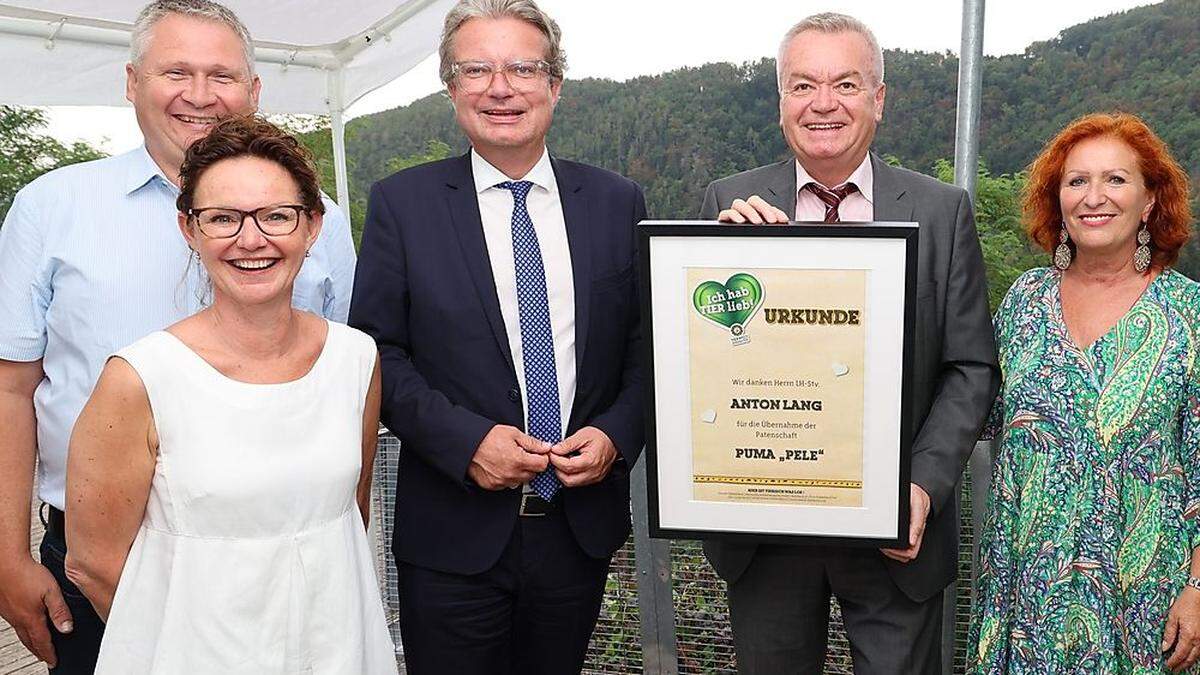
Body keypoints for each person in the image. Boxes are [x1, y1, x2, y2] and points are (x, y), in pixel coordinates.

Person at [0, 1, 356, 672]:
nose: (200, 95)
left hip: (283, 553)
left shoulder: (322, 220)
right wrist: (6, 558)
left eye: (221, 75)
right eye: (176, 72)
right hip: (104, 560)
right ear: (132, 82)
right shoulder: (50, 208)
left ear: (253, 91)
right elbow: (9, 391)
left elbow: (342, 380)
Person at [348, 1, 645, 672]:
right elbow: (378, 354)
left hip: (577, 528)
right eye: (476, 68)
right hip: (451, 534)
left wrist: (618, 434)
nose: (500, 87)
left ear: (555, 85)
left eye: (522, 68)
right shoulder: (403, 204)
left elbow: (643, 349)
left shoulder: (616, 201)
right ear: (451, 87)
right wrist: (466, 441)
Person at [697, 12, 999, 673]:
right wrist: (715, 261)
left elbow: (971, 367)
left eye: (846, 83)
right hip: (765, 529)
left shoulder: (942, 211)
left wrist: (921, 486)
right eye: (802, 85)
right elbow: (701, 359)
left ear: (879, 98)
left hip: (896, 536)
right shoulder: (731, 203)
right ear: (780, 101)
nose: (824, 103)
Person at [62, 115, 395, 674]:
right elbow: (94, 563)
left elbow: (348, 512)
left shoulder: (356, 358)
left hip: (337, 645)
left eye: (276, 216)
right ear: (189, 230)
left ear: (312, 227)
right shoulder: (140, 377)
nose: (251, 238)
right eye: (223, 218)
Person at [968, 112, 1200, 673]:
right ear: (1058, 200)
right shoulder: (1024, 302)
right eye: (1077, 181)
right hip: (1023, 598)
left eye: (1116, 180)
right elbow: (967, 410)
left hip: (1144, 604)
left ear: (1149, 202)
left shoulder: (1189, 315)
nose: (1094, 197)